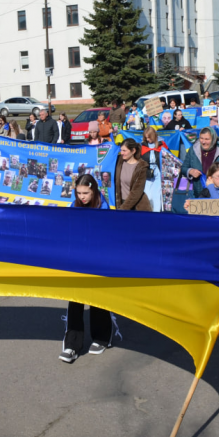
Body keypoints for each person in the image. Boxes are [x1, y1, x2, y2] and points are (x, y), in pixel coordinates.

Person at [59, 174, 117, 363]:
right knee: (75, 300)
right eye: (79, 193)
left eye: (86, 193)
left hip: (98, 260)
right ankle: (72, 345)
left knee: (97, 299)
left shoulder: (104, 208)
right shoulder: (74, 206)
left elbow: (109, 235)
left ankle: (101, 338)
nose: (82, 196)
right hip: (77, 260)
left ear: (94, 191)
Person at [181, 128, 219, 197]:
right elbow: (183, 168)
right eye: (201, 138)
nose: (203, 142)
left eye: (207, 139)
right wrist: (190, 171)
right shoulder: (193, 150)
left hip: (218, 193)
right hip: (198, 192)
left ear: (213, 139)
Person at [114, 138, 151, 211]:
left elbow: (136, 192)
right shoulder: (119, 162)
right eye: (121, 150)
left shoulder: (141, 167)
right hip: (120, 203)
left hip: (136, 206)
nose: (121, 153)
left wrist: (122, 209)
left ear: (133, 151)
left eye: (124, 150)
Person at [141, 127, 165, 212]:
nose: (147, 140)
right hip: (147, 172)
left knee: (156, 195)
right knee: (147, 194)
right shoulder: (143, 146)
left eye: (149, 137)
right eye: (146, 137)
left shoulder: (161, 145)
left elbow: (168, 157)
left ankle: (156, 213)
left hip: (158, 172)